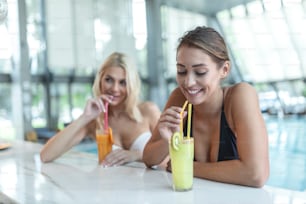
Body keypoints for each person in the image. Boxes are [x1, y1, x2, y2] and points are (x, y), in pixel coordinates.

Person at [143, 26, 270, 187]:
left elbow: (256, 174)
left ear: (224, 69)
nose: (188, 83)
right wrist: (168, 141)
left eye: (200, 72)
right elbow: (149, 159)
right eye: (181, 71)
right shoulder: (180, 98)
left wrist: (187, 166)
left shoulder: (239, 96)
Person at [40, 52, 161, 167]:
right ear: (100, 81)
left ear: (132, 84)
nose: (115, 88)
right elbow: (46, 156)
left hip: (151, 187)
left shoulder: (148, 111)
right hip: (112, 186)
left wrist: (137, 155)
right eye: (109, 80)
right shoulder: (95, 121)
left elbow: (171, 157)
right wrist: (85, 117)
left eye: (123, 82)